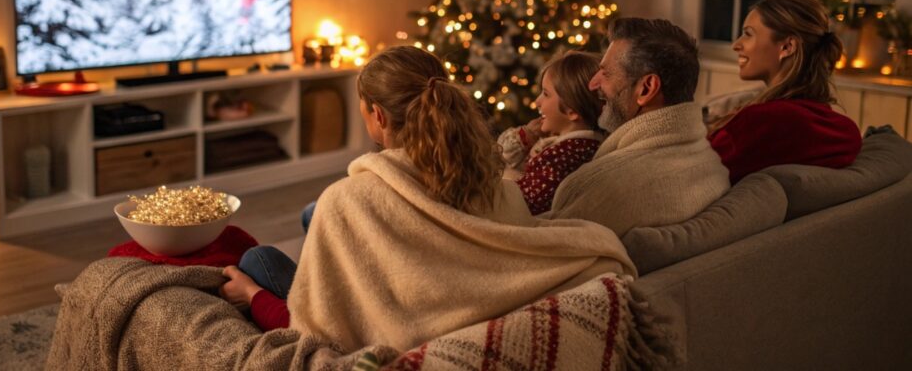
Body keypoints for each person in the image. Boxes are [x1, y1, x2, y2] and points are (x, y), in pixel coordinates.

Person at [219, 46, 634, 352]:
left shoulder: (346, 200)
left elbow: (320, 338)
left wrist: (253, 297)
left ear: (377, 116)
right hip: (461, 313)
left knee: (257, 262)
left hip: (403, 333)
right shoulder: (496, 185)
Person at [548, 18, 730, 237]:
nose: (592, 84)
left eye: (606, 73)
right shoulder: (713, 166)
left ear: (646, 88)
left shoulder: (598, 188)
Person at [707, 0, 862, 184]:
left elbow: (690, 176)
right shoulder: (842, 131)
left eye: (748, 34)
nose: (736, 45)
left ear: (787, 47)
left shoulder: (759, 123)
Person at [498, 51, 603, 215]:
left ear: (572, 110)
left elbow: (522, 204)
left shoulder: (562, 157)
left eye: (546, 94)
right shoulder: (575, 146)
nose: (537, 102)